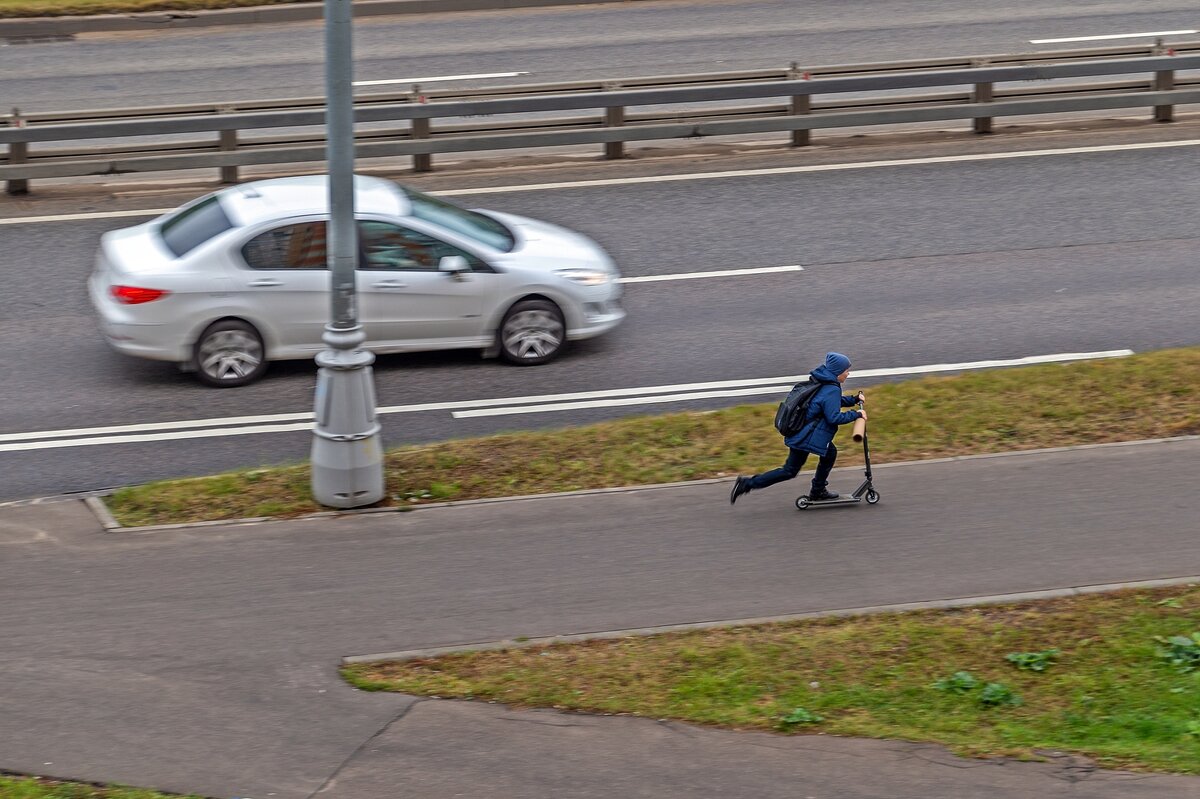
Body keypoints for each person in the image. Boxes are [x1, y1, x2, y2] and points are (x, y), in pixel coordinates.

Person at [730, 352, 866, 504]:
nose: (848, 373)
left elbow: (830, 402)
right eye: (846, 370)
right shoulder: (832, 388)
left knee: (806, 463)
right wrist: (857, 415)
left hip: (802, 432)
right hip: (807, 436)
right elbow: (833, 417)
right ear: (837, 372)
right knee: (794, 469)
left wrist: (853, 400)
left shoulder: (824, 381)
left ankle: (747, 484)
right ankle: (817, 490)